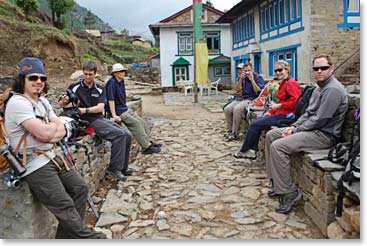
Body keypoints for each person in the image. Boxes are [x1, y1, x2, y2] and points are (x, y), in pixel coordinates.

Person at [4, 57, 106, 239]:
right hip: (33, 162)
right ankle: (87, 237)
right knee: (63, 203)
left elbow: (59, 128)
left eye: (42, 78)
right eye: (32, 78)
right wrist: (50, 132)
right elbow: (47, 133)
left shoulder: (42, 102)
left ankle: (65, 238)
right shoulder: (18, 103)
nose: (39, 82)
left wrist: (49, 132)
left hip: (51, 154)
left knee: (80, 187)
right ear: (22, 79)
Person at [265, 54, 348, 214]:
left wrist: (295, 130)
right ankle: (276, 182)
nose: (319, 71)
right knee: (272, 135)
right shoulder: (320, 87)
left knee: (278, 146)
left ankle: (289, 192)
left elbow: (320, 119)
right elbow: (308, 113)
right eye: (316, 68)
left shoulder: (332, 90)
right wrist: (294, 125)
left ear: (331, 68)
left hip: (324, 136)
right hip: (312, 130)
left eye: (323, 68)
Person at [59, 61, 132, 182]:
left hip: (97, 118)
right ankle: (114, 169)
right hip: (85, 121)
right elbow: (62, 105)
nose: (87, 77)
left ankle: (123, 168)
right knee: (119, 135)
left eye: (90, 74)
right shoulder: (74, 87)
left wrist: (83, 110)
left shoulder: (99, 89)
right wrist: (63, 101)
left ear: (95, 74)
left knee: (127, 135)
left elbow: (100, 107)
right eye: (85, 74)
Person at [234, 60, 301, 159]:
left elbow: (295, 102)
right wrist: (270, 112)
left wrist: (279, 106)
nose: (278, 73)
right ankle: (252, 150)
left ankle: (245, 150)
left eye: (280, 70)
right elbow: (280, 102)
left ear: (287, 70)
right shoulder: (283, 82)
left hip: (287, 115)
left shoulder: (291, 83)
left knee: (255, 124)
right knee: (256, 121)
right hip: (280, 112)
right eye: (276, 71)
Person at [105, 63, 161, 155]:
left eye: (123, 71)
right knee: (136, 123)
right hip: (118, 111)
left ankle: (148, 142)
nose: (123, 73)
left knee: (142, 121)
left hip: (124, 108)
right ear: (115, 73)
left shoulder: (121, 81)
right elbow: (110, 100)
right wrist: (114, 115)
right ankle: (146, 147)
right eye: (121, 71)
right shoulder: (112, 83)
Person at [223, 63, 265, 141]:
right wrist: (240, 79)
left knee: (237, 109)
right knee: (227, 109)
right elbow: (237, 90)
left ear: (252, 70)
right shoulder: (243, 78)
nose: (247, 72)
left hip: (253, 99)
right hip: (243, 98)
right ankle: (230, 130)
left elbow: (259, 92)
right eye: (245, 71)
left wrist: (252, 80)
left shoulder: (258, 77)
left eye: (249, 71)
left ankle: (235, 132)